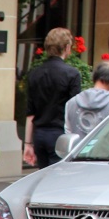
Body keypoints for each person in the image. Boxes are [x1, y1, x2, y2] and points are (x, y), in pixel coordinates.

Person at [24, 27, 82, 168]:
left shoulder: (34, 73)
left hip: (39, 135)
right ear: (67, 47)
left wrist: (27, 144)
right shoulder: (72, 74)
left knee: (44, 179)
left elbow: (30, 113)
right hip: (60, 135)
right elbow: (75, 111)